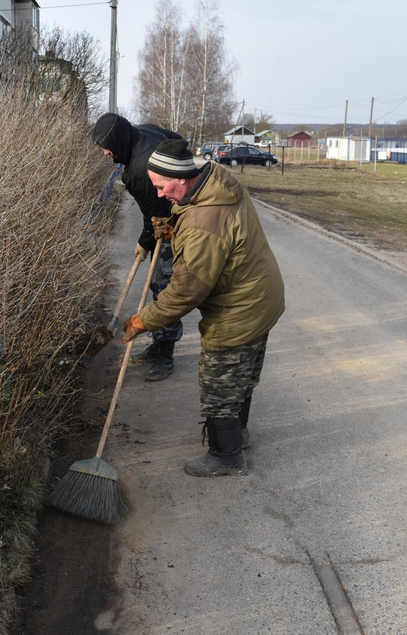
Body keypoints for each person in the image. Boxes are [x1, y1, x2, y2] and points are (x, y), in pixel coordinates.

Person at [122, 139, 285, 477]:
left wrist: (143, 321)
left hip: (240, 306)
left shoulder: (203, 223)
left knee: (219, 381)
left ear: (181, 178)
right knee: (239, 376)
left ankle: (226, 456)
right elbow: (202, 222)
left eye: (162, 186)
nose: (161, 194)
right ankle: (237, 435)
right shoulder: (211, 179)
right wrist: (174, 228)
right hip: (261, 295)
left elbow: (185, 291)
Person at [91, 113, 184, 381]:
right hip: (172, 210)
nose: (105, 152)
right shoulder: (143, 131)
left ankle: (165, 355)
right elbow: (177, 140)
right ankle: (159, 345)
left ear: (119, 141)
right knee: (158, 284)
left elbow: (153, 216)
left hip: (175, 223)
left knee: (166, 287)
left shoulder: (140, 170)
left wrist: (144, 243)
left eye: (107, 147)